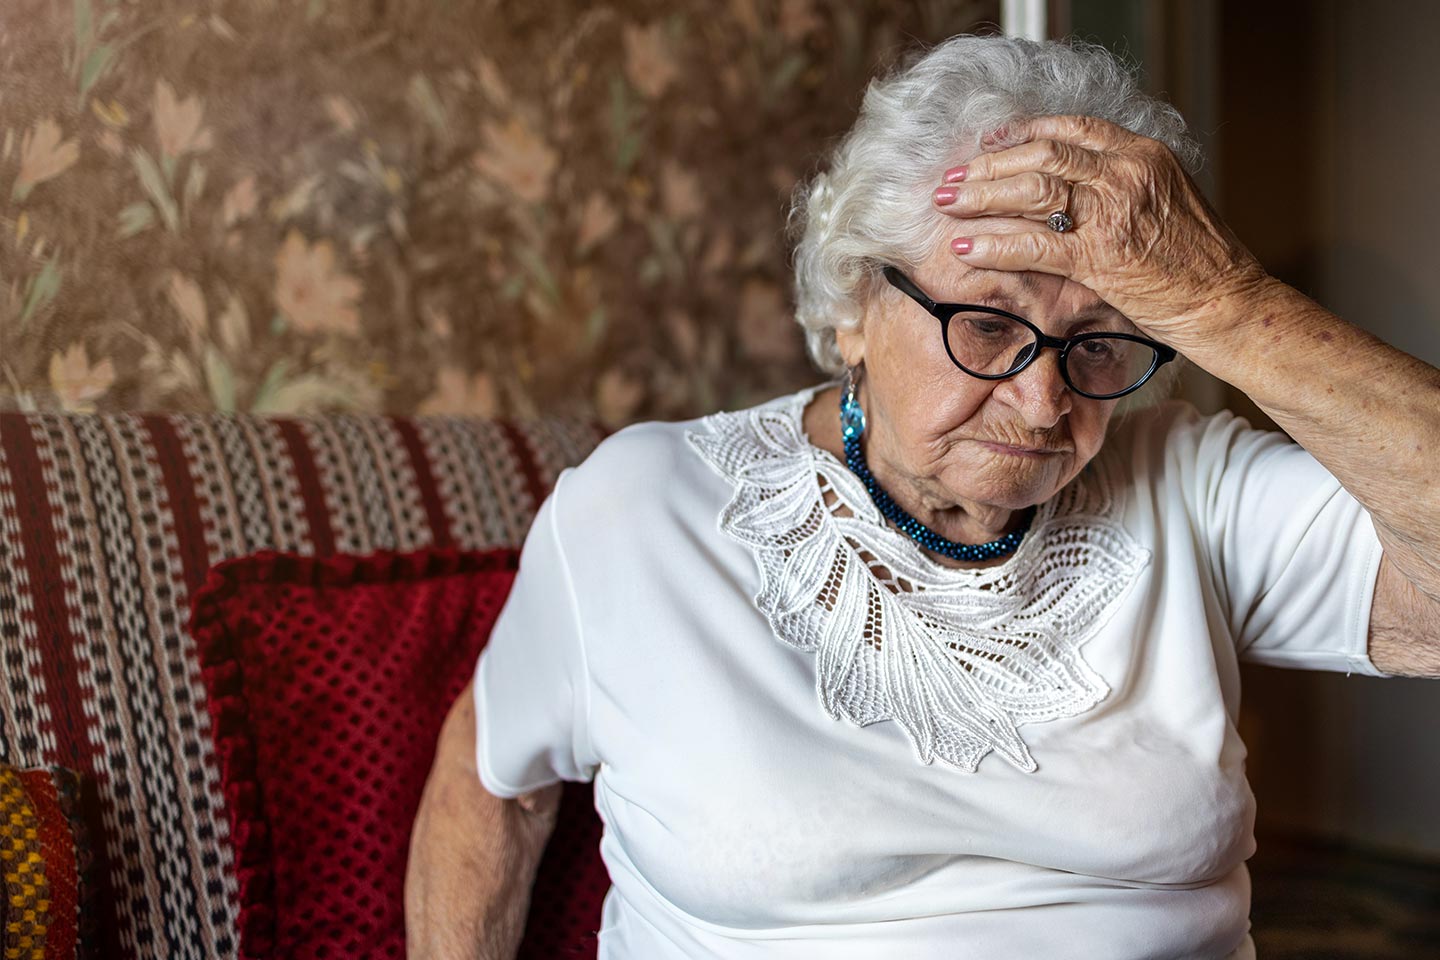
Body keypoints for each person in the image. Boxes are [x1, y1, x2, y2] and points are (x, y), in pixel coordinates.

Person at [405, 35, 1440, 959]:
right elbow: (492, 776)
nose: (1042, 400)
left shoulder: (1188, 484)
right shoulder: (641, 512)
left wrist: (1223, 302)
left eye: (1100, 340)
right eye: (987, 326)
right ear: (857, 302)